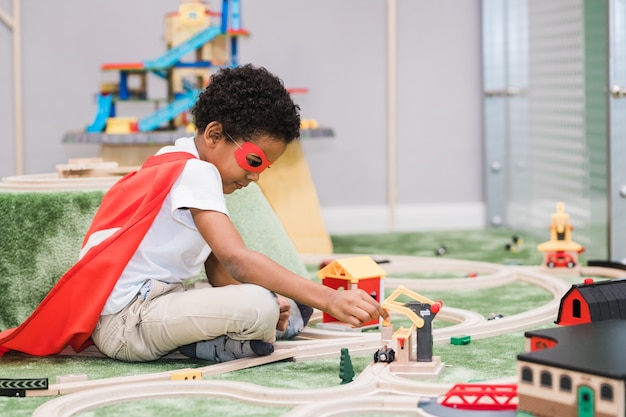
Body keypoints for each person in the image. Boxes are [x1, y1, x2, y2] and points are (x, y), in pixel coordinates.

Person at [0, 64, 388, 362]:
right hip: (128, 325)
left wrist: (264, 295)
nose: (254, 177)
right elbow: (236, 260)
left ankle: (249, 327)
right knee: (259, 304)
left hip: (151, 307)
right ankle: (220, 340)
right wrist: (325, 298)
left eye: (263, 169)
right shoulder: (197, 172)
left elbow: (217, 267)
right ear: (214, 135)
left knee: (264, 299)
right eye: (252, 161)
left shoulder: (183, 162)